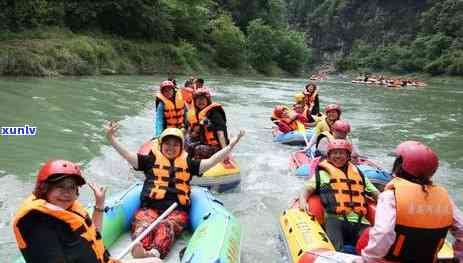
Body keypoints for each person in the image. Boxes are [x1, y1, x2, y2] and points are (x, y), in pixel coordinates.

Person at [106, 122, 245, 259]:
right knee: (143, 222)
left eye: (175, 144)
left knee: (167, 226)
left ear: (181, 147)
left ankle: (155, 253)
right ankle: (140, 249)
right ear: (161, 145)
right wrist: (111, 139)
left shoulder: (189, 164)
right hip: (149, 208)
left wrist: (231, 145)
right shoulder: (148, 161)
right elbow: (127, 155)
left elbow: (212, 161)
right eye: (167, 144)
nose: (171, 148)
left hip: (177, 211)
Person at [12, 160, 161, 263]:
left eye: (71, 187)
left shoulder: (65, 209)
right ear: (45, 189)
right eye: (60, 186)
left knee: (156, 261)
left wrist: (99, 203)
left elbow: (93, 235)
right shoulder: (37, 223)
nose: (67, 192)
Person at [355, 141, 463, 263]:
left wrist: (368, 258)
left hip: (393, 260)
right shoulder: (445, 197)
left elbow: (383, 233)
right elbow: (461, 230)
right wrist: (459, 257)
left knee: (367, 234)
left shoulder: (390, 196)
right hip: (427, 259)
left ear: (400, 165)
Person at [299, 139, 379, 252]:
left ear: (348, 156)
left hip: (361, 221)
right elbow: (306, 190)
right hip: (335, 219)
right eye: (334, 153)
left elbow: (375, 193)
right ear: (329, 155)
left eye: (341, 153)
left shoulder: (359, 174)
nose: (338, 156)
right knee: (336, 251)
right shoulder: (322, 174)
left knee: (373, 251)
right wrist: (303, 201)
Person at [186, 87, 230, 159]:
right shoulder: (197, 113)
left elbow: (220, 133)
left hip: (217, 146)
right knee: (188, 144)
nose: (200, 102)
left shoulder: (215, 113)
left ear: (208, 100)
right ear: (195, 101)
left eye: (203, 99)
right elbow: (191, 131)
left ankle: (199, 163)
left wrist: (224, 152)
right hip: (205, 143)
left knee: (199, 149)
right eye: (198, 99)